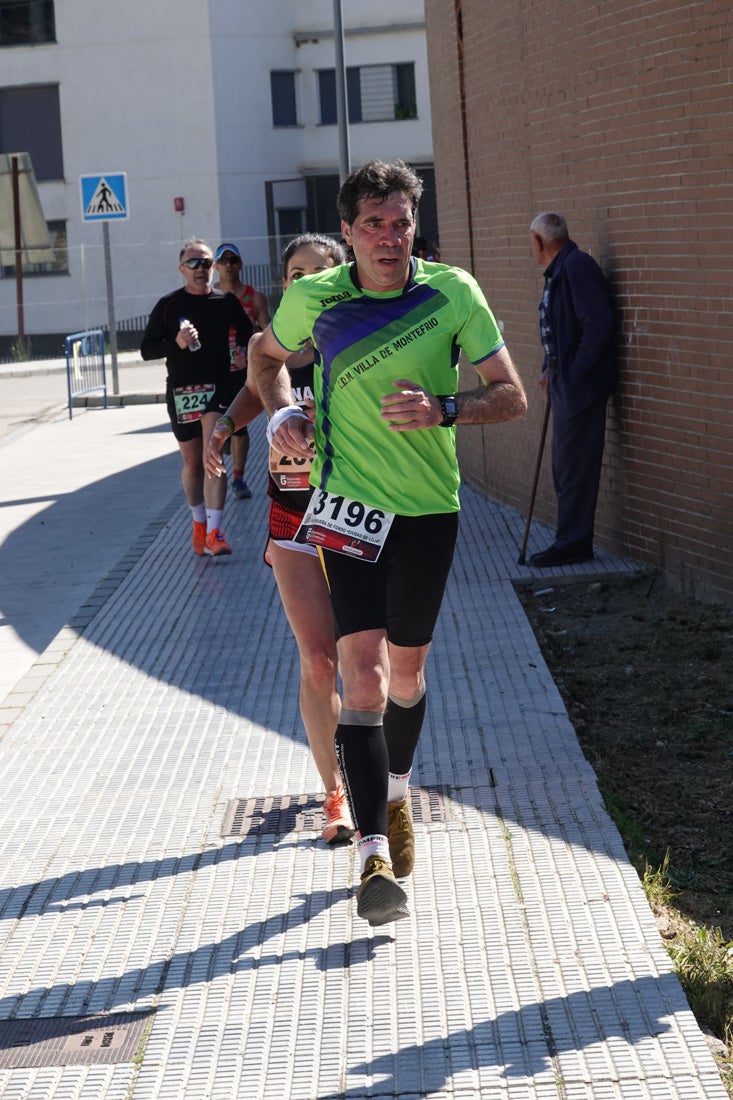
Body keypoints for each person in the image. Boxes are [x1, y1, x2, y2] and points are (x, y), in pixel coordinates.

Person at [248, 160, 527, 926]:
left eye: (398, 222)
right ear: (346, 232)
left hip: (429, 511)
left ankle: (396, 787)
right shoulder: (317, 299)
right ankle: (371, 853)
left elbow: (511, 396)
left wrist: (444, 407)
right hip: (345, 510)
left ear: (412, 226)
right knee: (360, 677)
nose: (387, 237)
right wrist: (279, 419)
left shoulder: (451, 293)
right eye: (371, 224)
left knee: (407, 674)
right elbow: (263, 357)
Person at [204, 233, 354, 845]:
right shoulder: (272, 348)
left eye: (317, 273)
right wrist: (222, 428)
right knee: (319, 662)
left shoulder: (356, 343)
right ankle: (335, 792)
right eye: (294, 273)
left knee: (371, 665)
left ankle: (380, 772)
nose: (302, 284)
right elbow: (248, 394)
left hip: (356, 520)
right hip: (291, 521)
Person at [140, 238, 253, 556]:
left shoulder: (226, 302)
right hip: (182, 392)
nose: (200, 269)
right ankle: (199, 525)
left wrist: (246, 354)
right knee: (192, 466)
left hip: (218, 389)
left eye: (205, 263)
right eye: (193, 263)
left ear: (212, 267)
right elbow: (147, 349)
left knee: (212, 455)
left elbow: (250, 335)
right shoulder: (168, 305)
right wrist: (175, 342)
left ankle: (216, 532)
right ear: (181, 270)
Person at [527, 212, 618, 567]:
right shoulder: (560, 271)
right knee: (565, 466)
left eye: (530, 242)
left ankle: (574, 543)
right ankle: (569, 539)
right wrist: (550, 368)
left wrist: (573, 373)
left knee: (574, 466)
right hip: (567, 384)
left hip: (581, 388)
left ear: (539, 242)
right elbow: (560, 329)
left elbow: (598, 325)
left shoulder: (577, 267)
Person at [213, 243, 271, 500]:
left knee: (240, 427)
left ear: (240, 264)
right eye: (223, 261)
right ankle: (218, 467)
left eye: (233, 260)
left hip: (243, 369)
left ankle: (238, 477)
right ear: (216, 266)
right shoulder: (210, 296)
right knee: (217, 423)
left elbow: (267, 330)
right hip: (215, 369)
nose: (228, 265)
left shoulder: (254, 297)